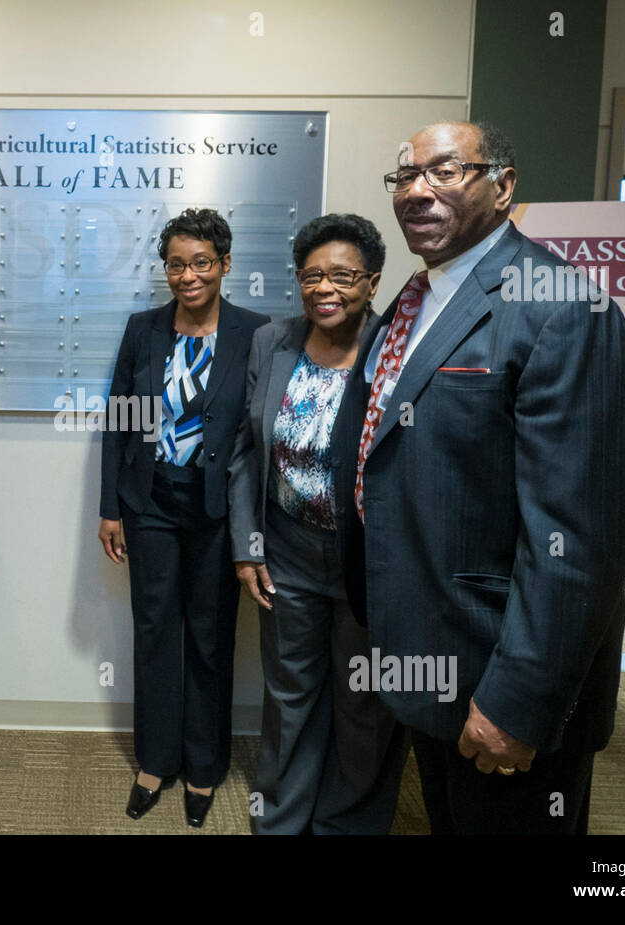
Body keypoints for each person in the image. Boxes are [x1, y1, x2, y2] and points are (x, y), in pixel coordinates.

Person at [332, 121, 625, 834]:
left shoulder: (565, 309)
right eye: (405, 176)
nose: (416, 190)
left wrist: (518, 701)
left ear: (503, 186)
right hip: (428, 652)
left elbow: (580, 538)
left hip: (501, 676)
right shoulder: (412, 302)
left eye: (445, 171)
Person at [228, 214, 407, 834]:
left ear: (373, 281)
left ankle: (346, 824)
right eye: (312, 276)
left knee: (363, 702)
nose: (325, 288)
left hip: (368, 558)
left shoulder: (399, 352)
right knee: (289, 697)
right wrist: (248, 546)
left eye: (343, 276)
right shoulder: (271, 342)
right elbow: (245, 453)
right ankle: (279, 819)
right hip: (287, 551)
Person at [99, 208, 269, 827]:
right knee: (154, 630)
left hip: (219, 508)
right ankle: (155, 761)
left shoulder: (257, 332)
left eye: (202, 262)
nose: (188, 275)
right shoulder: (144, 330)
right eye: (176, 263)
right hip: (150, 503)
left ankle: (204, 767)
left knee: (210, 634)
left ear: (224, 265)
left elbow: (260, 435)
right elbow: (120, 420)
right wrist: (110, 507)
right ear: (164, 268)